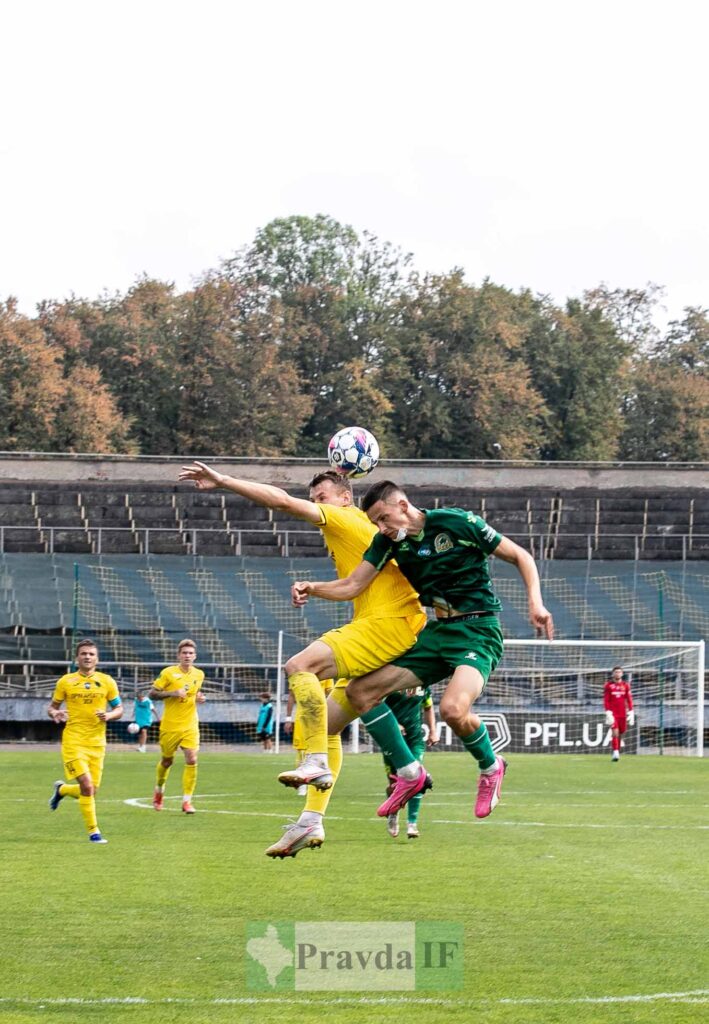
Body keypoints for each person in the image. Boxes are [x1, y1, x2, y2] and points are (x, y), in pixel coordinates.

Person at [178, 462, 428, 858]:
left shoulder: (345, 517)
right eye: (314, 499)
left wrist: (224, 480)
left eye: (321, 497)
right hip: (392, 624)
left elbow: (282, 502)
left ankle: (318, 763)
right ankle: (312, 819)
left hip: (388, 623)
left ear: (345, 497)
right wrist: (314, 588)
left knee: (299, 666)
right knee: (328, 723)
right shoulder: (363, 534)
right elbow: (351, 588)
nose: (315, 504)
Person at [292, 479, 554, 820]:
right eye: (375, 523)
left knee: (452, 710)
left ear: (403, 506)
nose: (382, 528)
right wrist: (313, 587)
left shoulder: (456, 522)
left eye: (384, 519)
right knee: (360, 691)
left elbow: (520, 555)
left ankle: (491, 767)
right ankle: (408, 773)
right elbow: (353, 585)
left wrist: (536, 603)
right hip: (436, 633)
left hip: (477, 631)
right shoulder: (388, 543)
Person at [47, 639, 123, 844]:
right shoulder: (66, 681)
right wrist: (55, 713)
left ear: (97, 659)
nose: (87, 657)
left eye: (91, 654)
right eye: (83, 654)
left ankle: (62, 790)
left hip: (97, 743)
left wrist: (109, 715)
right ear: (77, 658)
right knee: (87, 786)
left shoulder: (107, 682)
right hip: (73, 741)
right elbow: (52, 707)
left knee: (91, 791)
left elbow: (119, 709)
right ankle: (94, 832)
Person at [149, 638, 206, 814]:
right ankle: (159, 791)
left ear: (195, 656)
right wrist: (173, 693)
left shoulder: (199, 674)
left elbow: (193, 693)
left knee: (192, 759)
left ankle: (187, 801)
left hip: (190, 724)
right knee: (167, 761)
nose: (187, 656)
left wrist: (198, 697)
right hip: (170, 726)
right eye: (184, 653)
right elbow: (152, 694)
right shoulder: (168, 673)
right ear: (179, 655)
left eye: (190, 653)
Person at [382, 686, 438, 839]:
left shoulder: (424, 687)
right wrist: (393, 724)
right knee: (394, 785)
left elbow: (428, 707)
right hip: (391, 739)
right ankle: (392, 813)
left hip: (414, 740)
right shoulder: (392, 684)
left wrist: (433, 730)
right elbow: (377, 705)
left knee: (416, 777)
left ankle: (412, 824)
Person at [603, 666, 634, 762]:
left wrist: (631, 711)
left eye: (619, 672)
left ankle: (617, 751)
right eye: (616, 672)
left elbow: (629, 699)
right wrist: (608, 711)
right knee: (615, 732)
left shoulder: (626, 685)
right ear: (613, 674)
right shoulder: (608, 685)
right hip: (613, 714)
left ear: (622, 674)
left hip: (623, 713)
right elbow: (606, 700)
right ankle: (615, 752)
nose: (618, 673)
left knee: (621, 733)